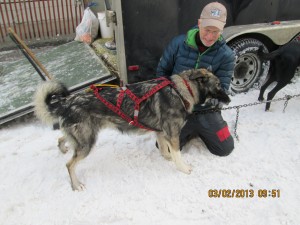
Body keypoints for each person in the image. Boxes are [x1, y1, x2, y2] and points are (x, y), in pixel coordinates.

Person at [156, 2, 235, 156]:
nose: (210, 36)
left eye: (215, 31)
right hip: (177, 109)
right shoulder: (178, 44)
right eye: (207, 30)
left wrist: (214, 101)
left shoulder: (226, 55)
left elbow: (223, 87)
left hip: (205, 111)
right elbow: (162, 73)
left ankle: (203, 127)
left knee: (225, 148)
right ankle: (191, 129)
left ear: (222, 29)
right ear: (199, 23)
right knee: (164, 148)